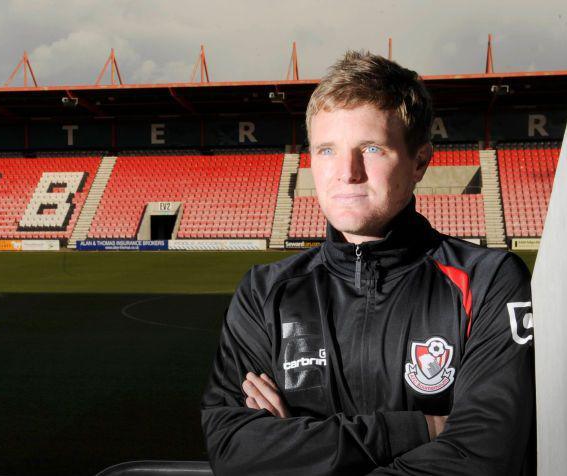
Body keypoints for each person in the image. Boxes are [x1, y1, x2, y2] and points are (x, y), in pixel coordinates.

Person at [200, 50, 535, 475]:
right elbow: (234, 449)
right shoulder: (265, 291)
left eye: (371, 148)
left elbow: (485, 455)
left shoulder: (489, 281)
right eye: (326, 150)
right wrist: (423, 429)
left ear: (420, 161)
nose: (347, 172)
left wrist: (301, 448)